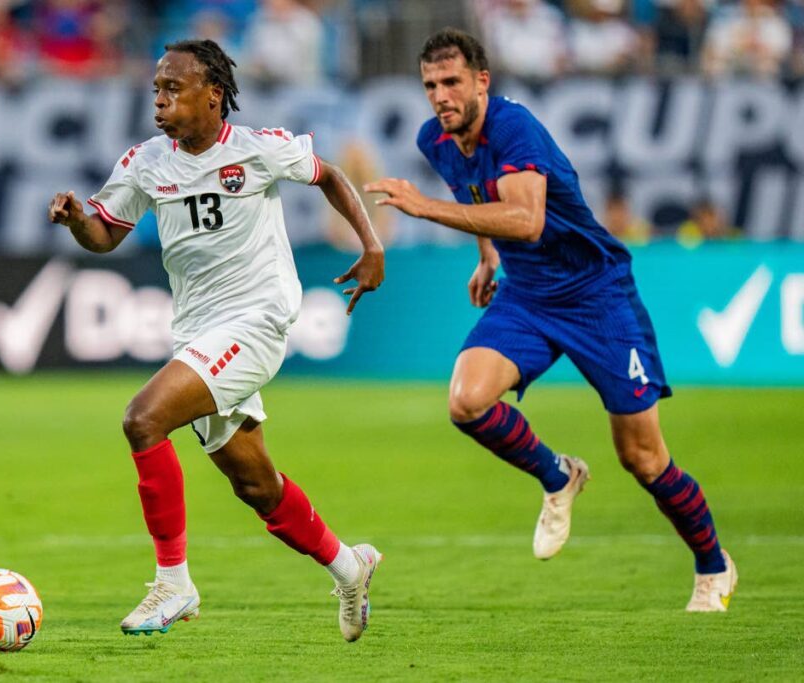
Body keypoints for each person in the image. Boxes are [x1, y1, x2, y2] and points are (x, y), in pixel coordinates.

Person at [365, 29, 736, 612]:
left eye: (452, 82)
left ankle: (713, 566)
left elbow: (528, 218)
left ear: (482, 82)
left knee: (642, 458)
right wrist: (486, 256)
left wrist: (422, 207)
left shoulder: (514, 128)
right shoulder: (434, 139)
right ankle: (559, 475)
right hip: (529, 295)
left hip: (598, 295)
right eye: (431, 85)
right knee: (466, 401)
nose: (440, 96)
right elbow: (476, 197)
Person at [48, 39, 385, 640]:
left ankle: (173, 584)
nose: (159, 99)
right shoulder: (146, 162)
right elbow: (105, 236)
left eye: (172, 88)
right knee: (255, 485)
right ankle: (349, 566)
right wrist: (79, 220)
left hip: (257, 319)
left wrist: (371, 245)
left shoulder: (258, 150)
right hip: (199, 331)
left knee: (142, 419)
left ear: (213, 94)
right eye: (156, 89)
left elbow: (329, 175)